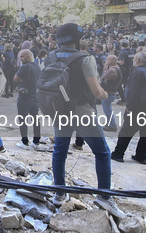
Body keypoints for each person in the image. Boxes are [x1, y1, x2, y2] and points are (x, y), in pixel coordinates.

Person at [50, 23, 125, 219]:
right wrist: (104, 93)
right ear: (77, 39)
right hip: (82, 113)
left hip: (60, 111)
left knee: (60, 150)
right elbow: (97, 92)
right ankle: (104, 196)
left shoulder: (51, 56)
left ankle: (59, 193)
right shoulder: (86, 59)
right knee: (102, 152)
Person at [111, 52, 146, 164]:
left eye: (134, 58)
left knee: (127, 130)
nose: (133, 60)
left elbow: (133, 93)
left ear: (137, 60)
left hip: (140, 107)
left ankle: (118, 154)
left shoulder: (137, 73)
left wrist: (129, 108)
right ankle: (141, 156)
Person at [13, 49, 41, 150]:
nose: (20, 59)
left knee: (22, 120)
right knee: (35, 119)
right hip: (35, 96)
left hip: (24, 97)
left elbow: (15, 78)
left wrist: (22, 79)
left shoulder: (25, 67)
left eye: (22, 57)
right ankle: (36, 141)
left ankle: (24, 142)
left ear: (28, 57)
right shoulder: (37, 67)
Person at [99, 55, 123, 131]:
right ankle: (110, 123)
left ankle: (112, 125)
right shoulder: (117, 68)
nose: (106, 61)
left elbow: (103, 78)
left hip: (108, 92)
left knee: (107, 109)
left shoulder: (111, 70)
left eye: (108, 59)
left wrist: (105, 69)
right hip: (111, 91)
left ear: (112, 61)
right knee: (107, 108)